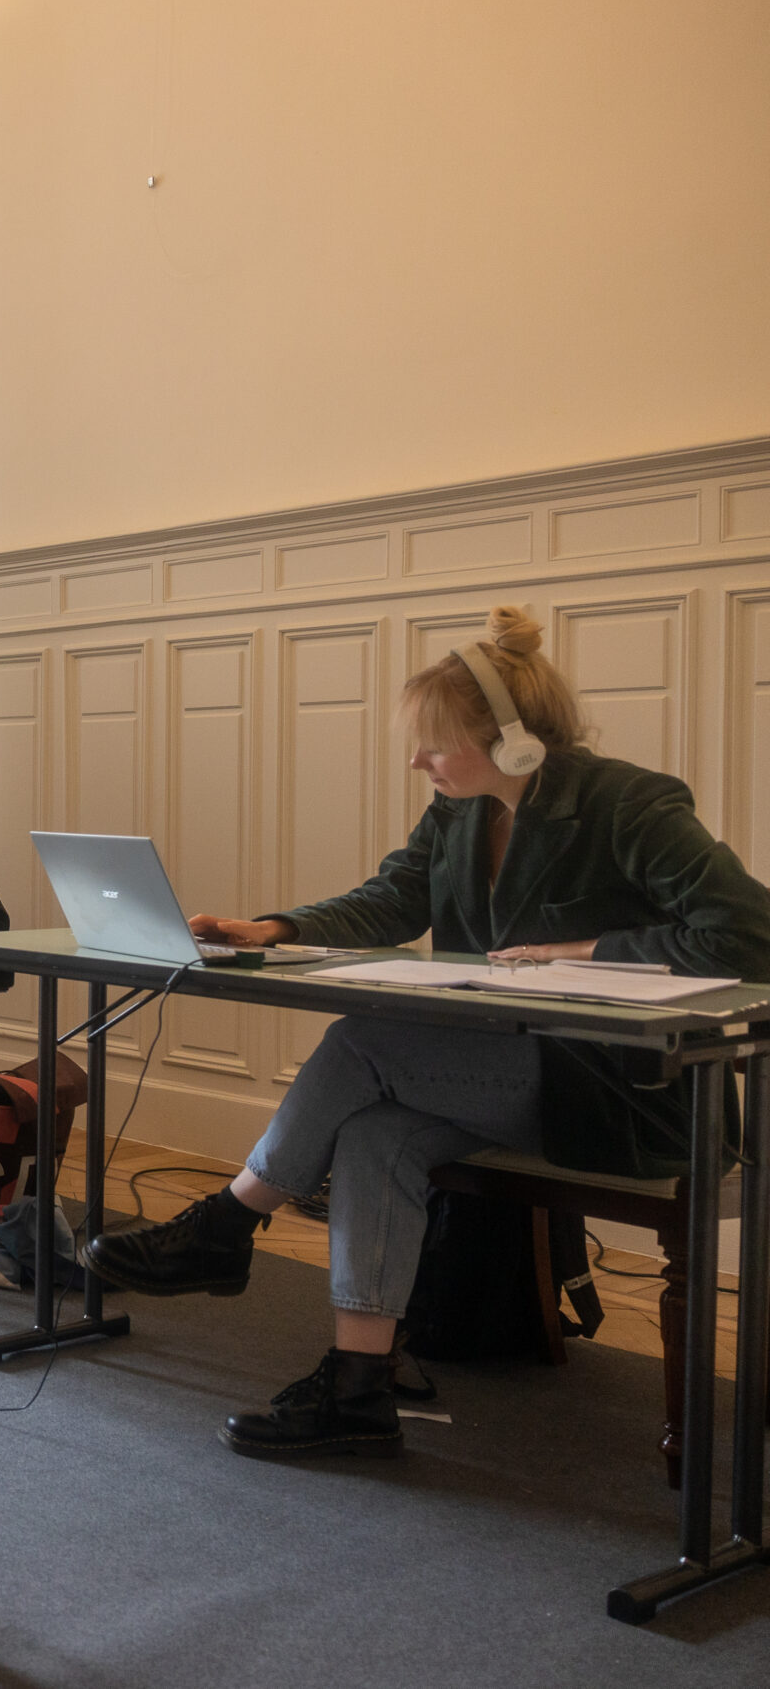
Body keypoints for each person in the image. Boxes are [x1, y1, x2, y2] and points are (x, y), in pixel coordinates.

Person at [81, 605, 770, 1460]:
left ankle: (226, 1225)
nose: (417, 762)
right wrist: (277, 929)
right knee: (374, 1136)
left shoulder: (628, 804)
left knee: (363, 1041)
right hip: (516, 1076)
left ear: (513, 741)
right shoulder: (458, 813)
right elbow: (392, 899)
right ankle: (359, 1390)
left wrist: (582, 949)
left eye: (435, 745)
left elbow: (749, 935)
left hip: (625, 1089)